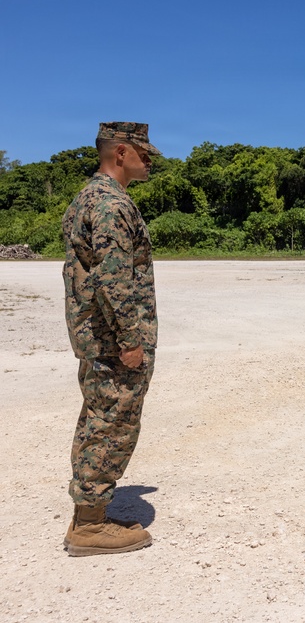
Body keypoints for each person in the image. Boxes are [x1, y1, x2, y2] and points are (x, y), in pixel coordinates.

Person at [61, 122, 160, 556]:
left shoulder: (90, 196)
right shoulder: (109, 203)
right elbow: (112, 278)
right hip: (111, 339)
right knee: (111, 424)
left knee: (98, 419)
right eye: (144, 152)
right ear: (120, 152)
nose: (150, 160)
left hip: (96, 335)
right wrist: (130, 338)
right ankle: (90, 527)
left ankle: (88, 512)